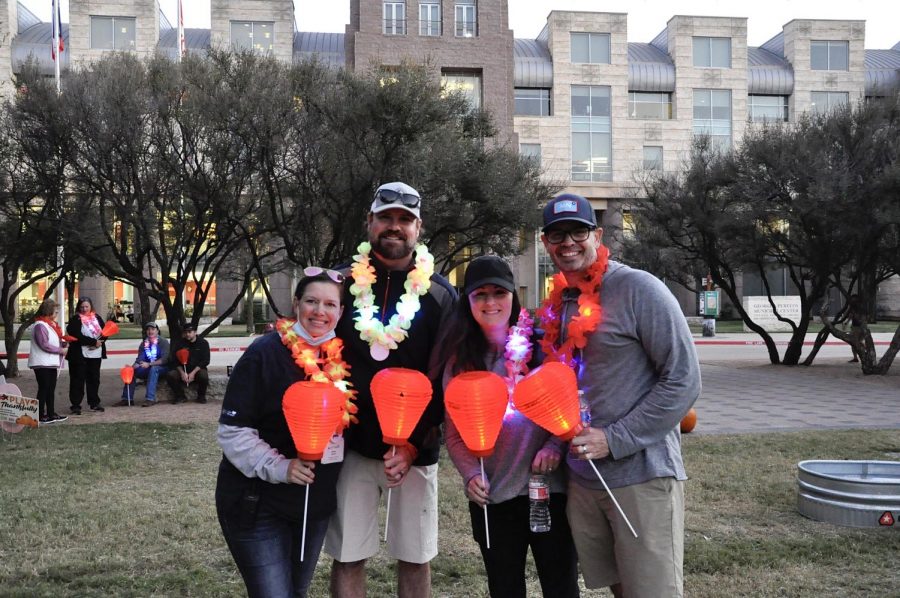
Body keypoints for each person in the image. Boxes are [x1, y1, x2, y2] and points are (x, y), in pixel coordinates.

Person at [538, 193, 701, 598]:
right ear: (545, 243)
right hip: (584, 480)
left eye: (578, 231)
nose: (568, 242)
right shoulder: (560, 303)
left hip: (640, 476)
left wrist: (614, 439)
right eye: (557, 234)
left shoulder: (639, 288)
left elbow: (684, 379)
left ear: (596, 234)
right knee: (618, 587)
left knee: (652, 591)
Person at [325, 182, 456, 598]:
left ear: (419, 228)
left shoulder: (440, 294)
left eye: (405, 220)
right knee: (348, 555)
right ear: (370, 223)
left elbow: (446, 378)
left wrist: (414, 445)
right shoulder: (341, 289)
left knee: (415, 555)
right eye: (386, 218)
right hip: (352, 444)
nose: (394, 227)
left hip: (417, 451)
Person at [441, 256, 580, 598]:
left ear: (512, 297)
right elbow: (455, 433)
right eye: (480, 295)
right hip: (494, 494)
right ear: (468, 302)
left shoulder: (541, 347)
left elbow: (566, 406)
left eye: (499, 293)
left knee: (560, 586)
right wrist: (471, 474)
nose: (491, 302)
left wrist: (553, 447)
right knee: (505, 588)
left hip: (549, 492)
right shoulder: (460, 361)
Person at [216, 268, 353, 598]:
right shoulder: (264, 353)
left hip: (312, 506)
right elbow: (232, 431)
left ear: (341, 311)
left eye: (330, 304)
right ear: (296, 304)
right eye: (311, 301)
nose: (320, 312)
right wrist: (282, 467)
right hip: (258, 505)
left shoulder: (345, 360)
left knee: (297, 591)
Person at [29, 299, 68, 424]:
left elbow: (50, 342)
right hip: (41, 362)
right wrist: (60, 350)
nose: (56, 314)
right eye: (55, 312)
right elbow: (44, 344)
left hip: (50, 362)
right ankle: (40, 415)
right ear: (48, 311)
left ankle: (51, 413)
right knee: (44, 388)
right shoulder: (40, 325)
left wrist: (63, 342)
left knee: (50, 389)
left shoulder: (50, 325)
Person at [66, 296, 108, 415]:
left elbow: (106, 332)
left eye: (87, 306)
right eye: (82, 307)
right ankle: (75, 405)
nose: (84, 309)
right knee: (77, 380)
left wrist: (99, 343)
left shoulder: (97, 318)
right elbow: (76, 334)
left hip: (95, 354)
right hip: (79, 355)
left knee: (94, 379)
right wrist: (92, 342)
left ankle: (94, 403)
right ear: (79, 307)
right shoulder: (76, 319)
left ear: (91, 307)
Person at [116, 321, 170, 407]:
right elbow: (139, 360)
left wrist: (149, 364)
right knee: (131, 371)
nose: (150, 331)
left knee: (154, 368)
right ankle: (127, 399)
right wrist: (131, 368)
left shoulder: (163, 342)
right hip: (148, 367)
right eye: (148, 329)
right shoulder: (144, 343)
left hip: (162, 368)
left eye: (153, 329)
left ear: (157, 331)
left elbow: (164, 360)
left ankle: (150, 399)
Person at [165, 323, 210, 403]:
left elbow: (205, 360)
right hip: (183, 369)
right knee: (171, 375)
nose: (187, 334)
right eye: (185, 332)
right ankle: (180, 396)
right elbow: (174, 361)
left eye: (190, 332)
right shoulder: (180, 344)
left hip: (197, 370)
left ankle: (201, 396)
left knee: (203, 375)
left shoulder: (203, 343)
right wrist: (182, 373)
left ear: (195, 332)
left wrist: (193, 373)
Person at [846, 294, 863, 363]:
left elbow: (857, 317)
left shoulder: (858, 308)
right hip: (855, 327)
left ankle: (863, 355)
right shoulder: (854, 307)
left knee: (856, 342)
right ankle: (855, 357)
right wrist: (847, 322)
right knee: (854, 343)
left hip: (857, 327)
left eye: (853, 299)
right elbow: (850, 316)